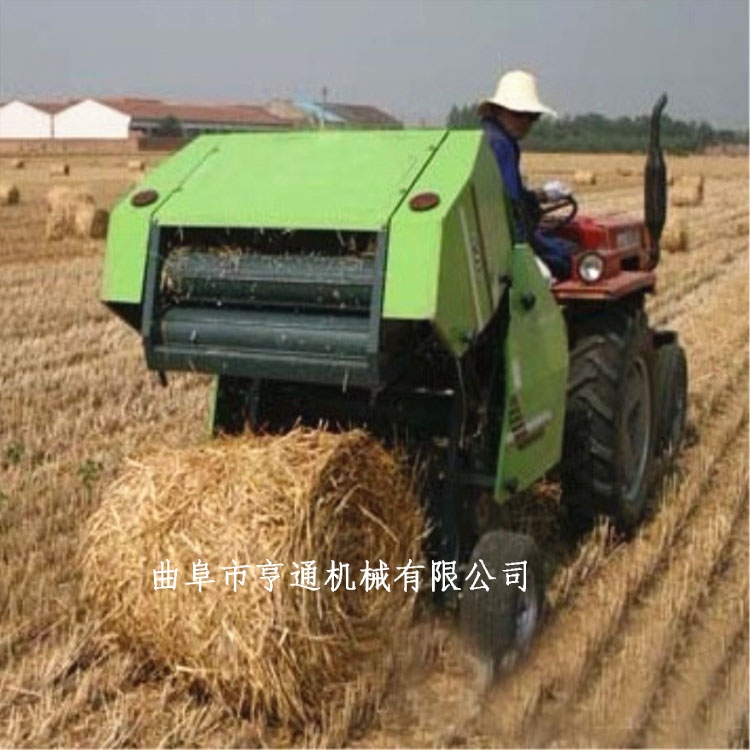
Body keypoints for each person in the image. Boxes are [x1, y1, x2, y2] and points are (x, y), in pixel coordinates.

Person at [478, 70, 576, 280]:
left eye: (533, 117)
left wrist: (541, 195)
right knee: (570, 256)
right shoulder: (500, 144)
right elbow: (512, 207)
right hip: (506, 243)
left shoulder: (483, 137)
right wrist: (525, 257)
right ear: (499, 110)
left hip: (490, 238)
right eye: (519, 114)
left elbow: (508, 196)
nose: (526, 123)